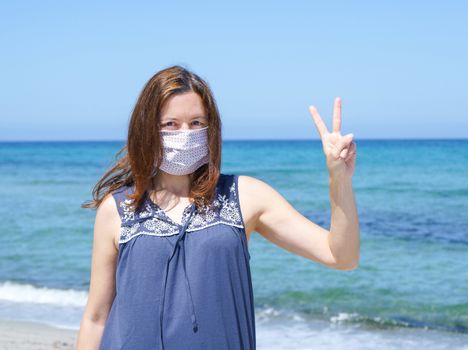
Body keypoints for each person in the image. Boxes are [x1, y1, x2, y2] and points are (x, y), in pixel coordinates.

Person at [75, 64, 359, 350]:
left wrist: (339, 180)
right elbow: (96, 318)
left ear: (211, 129)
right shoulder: (118, 209)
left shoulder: (245, 196)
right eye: (170, 124)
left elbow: (341, 256)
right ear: (147, 129)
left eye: (196, 123)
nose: (185, 133)